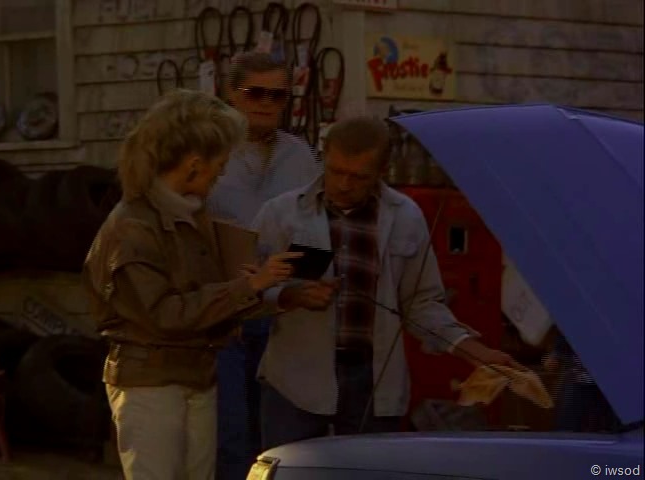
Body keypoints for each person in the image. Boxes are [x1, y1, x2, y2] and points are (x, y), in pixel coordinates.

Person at [250, 116, 521, 449]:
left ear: (381, 171)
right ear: (325, 157)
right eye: (336, 171)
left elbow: (421, 303)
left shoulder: (405, 217)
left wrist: (474, 350)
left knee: (368, 467)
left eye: (358, 177)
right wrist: (291, 296)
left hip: (373, 381)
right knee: (288, 467)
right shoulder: (281, 214)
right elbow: (248, 292)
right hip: (295, 379)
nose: (344, 185)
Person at [82, 89, 300, 480]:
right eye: (220, 165)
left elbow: (210, 301)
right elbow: (166, 314)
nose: (221, 175)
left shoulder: (190, 218)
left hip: (195, 375)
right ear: (194, 165)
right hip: (150, 382)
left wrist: (277, 292)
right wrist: (248, 287)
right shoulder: (133, 228)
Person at [207, 52, 321, 479]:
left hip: (279, 311)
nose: (266, 103)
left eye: (278, 95)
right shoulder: (209, 150)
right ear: (231, 95)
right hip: (226, 311)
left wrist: (304, 286)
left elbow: (316, 225)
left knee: (277, 437)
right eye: (256, 93)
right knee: (230, 433)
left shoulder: (300, 156)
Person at [543, 331, 621, 432]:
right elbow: (554, 358)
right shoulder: (573, 329)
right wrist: (555, 355)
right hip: (580, 382)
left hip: (611, 382)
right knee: (567, 426)